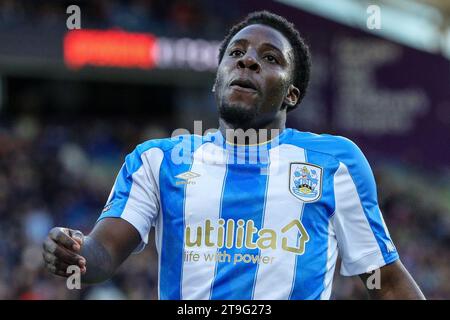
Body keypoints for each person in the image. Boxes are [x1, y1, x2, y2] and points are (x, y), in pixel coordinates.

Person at [42, 11, 425, 300]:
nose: (248, 60)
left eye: (271, 58)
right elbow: (104, 250)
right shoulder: (158, 161)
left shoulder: (335, 163)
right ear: (217, 79)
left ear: (291, 94)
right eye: (236, 53)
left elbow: (387, 282)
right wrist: (76, 252)